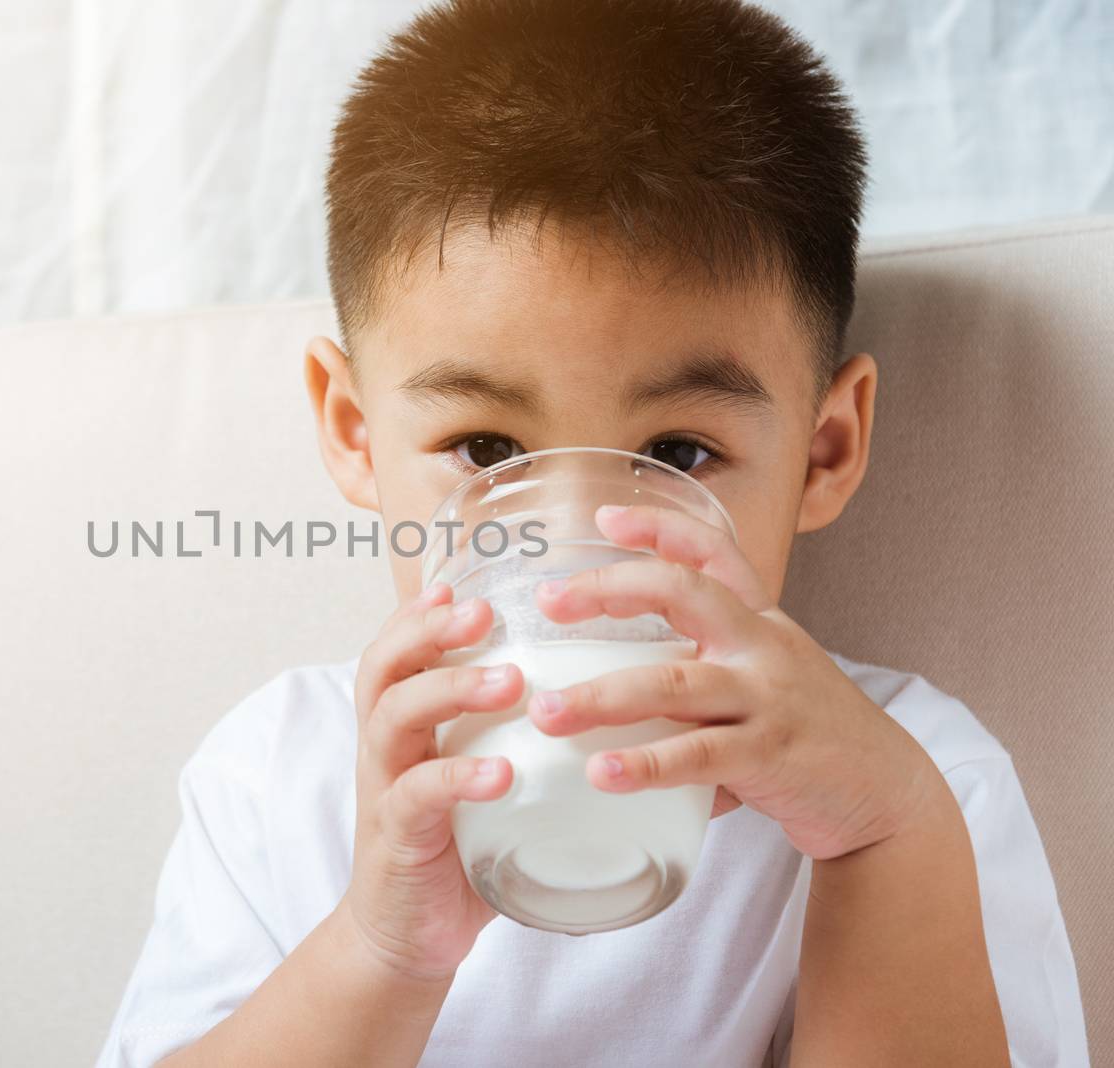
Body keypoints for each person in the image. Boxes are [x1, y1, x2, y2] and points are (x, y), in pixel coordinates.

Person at [97, 0, 1087, 1063]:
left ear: (824, 450)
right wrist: (383, 948)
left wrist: (881, 844)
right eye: (485, 451)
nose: (572, 551)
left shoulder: (913, 778)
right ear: (354, 433)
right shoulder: (281, 778)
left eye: (673, 457)